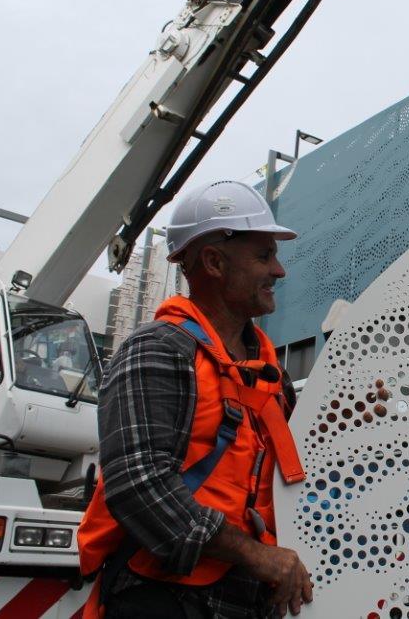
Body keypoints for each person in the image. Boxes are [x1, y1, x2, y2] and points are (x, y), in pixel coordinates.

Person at [78, 181, 315, 618]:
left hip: (250, 598)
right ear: (213, 261)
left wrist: (356, 420)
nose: (279, 271)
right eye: (264, 256)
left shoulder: (269, 375)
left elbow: (297, 473)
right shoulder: (158, 350)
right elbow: (138, 484)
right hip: (165, 596)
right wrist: (255, 555)